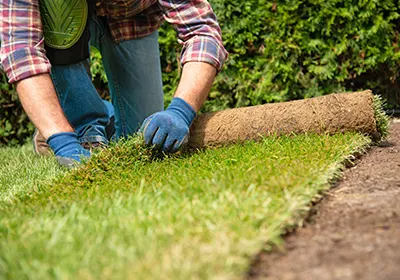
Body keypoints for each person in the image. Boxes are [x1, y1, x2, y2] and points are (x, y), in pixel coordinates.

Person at [0, 0, 228, 167]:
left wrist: (180, 111)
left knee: (142, 138)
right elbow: (21, 52)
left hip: (131, 21)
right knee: (55, 9)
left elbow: (202, 32)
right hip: (61, 22)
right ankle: (78, 124)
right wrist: (61, 139)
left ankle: (82, 113)